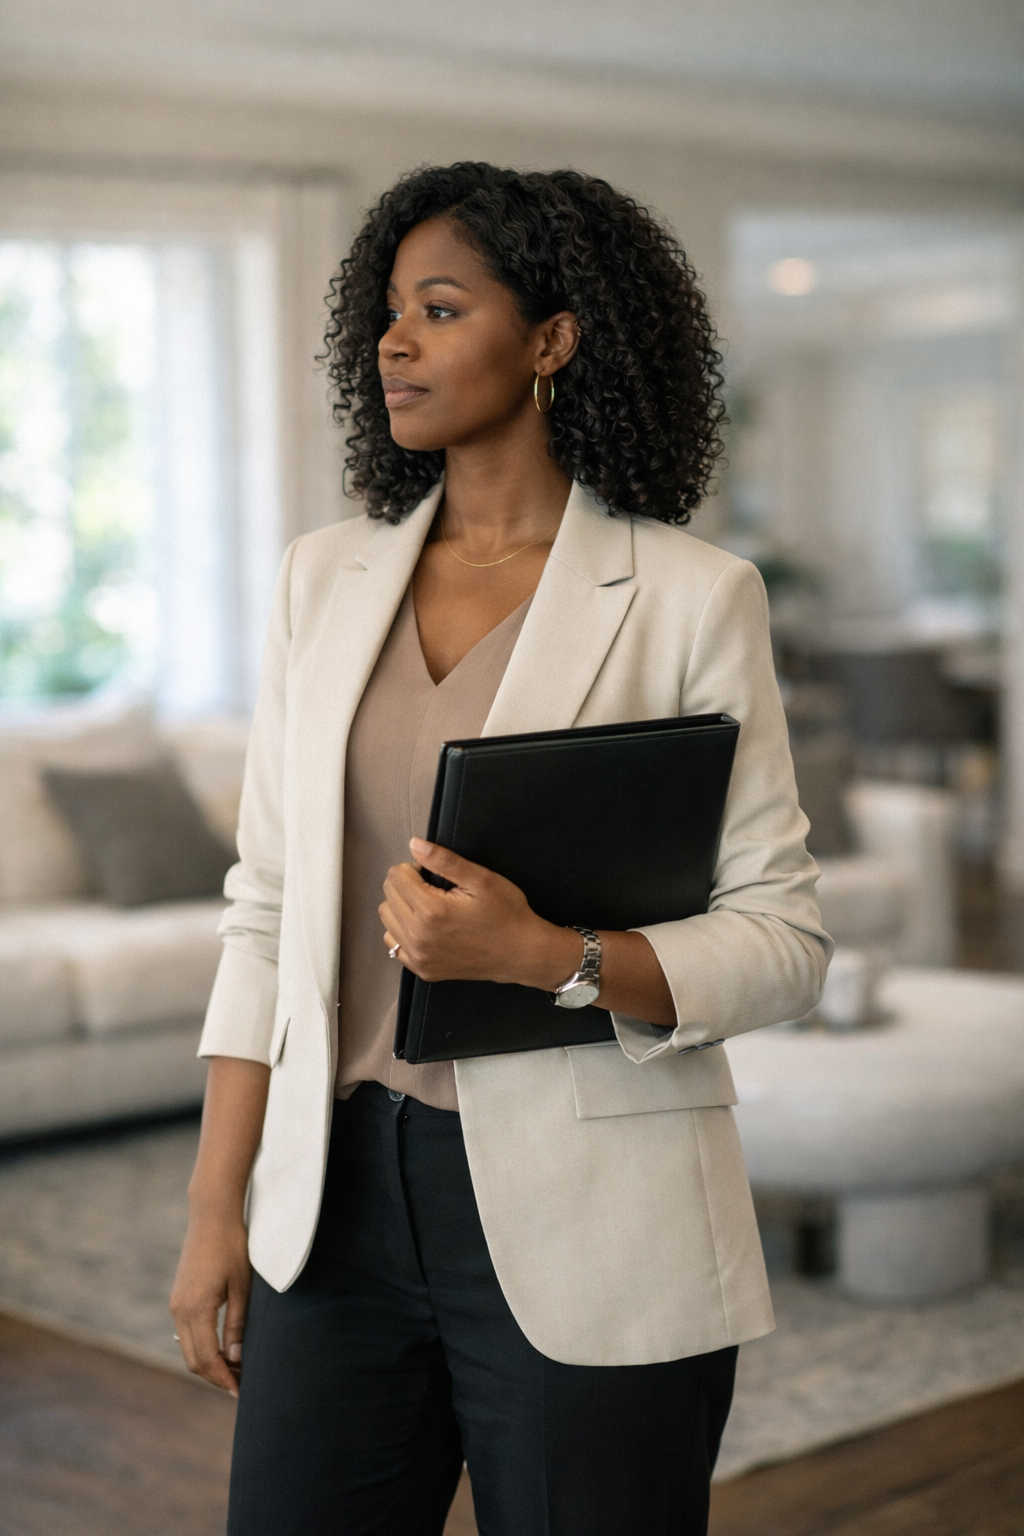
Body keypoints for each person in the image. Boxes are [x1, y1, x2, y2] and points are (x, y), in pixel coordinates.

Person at [170, 163, 830, 1536]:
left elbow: (782, 942)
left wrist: (549, 959)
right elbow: (268, 910)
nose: (393, 342)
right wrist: (214, 1208)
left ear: (552, 340)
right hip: (331, 1204)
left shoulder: (694, 600)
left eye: (442, 307)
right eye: (389, 311)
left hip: (598, 1217)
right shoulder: (323, 576)